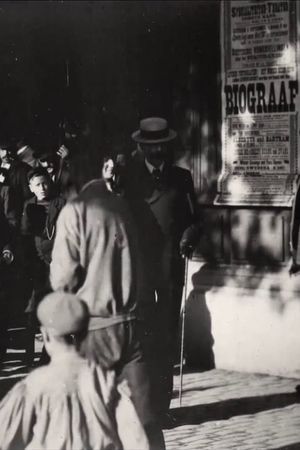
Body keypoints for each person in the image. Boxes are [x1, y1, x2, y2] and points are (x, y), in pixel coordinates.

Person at [50, 174, 165, 449]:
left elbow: (63, 279)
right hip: (133, 322)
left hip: (95, 328)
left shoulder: (74, 211)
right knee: (144, 413)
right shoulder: (122, 205)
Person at [0, 291, 149, 450]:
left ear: (46, 335)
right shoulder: (107, 384)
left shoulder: (31, 388)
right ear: (84, 332)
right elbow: (138, 442)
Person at [130, 116, 199, 419]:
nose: (157, 152)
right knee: (143, 335)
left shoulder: (181, 177)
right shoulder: (129, 178)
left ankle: (163, 407)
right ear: (142, 147)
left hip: (171, 266)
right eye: (151, 147)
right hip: (140, 269)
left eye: (162, 146)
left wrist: (189, 236)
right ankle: (143, 407)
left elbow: (196, 219)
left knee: (167, 335)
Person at [21, 167, 66, 365]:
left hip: (59, 265)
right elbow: (25, 236)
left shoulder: (62, 203)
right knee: (33, 311)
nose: (42, 188)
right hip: (37, 266)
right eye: (37, 185)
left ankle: (49, 354)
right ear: (31, 187)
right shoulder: (29, 206)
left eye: (45, 183)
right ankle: (29, 354)